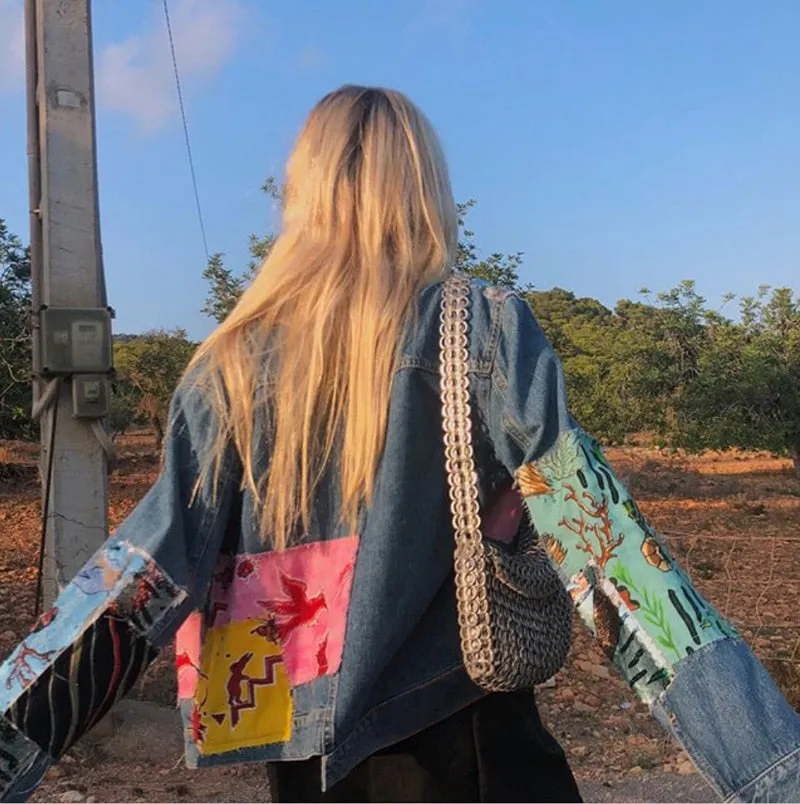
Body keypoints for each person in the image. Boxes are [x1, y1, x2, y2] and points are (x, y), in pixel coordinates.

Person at [0, 85, 798, 803]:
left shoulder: (230, 366)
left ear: (302, 196)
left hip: (307, 762)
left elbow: (137, 578)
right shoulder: (479, 326)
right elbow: (609, 549)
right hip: (472, 738)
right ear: (425, 189)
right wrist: (772, 770)